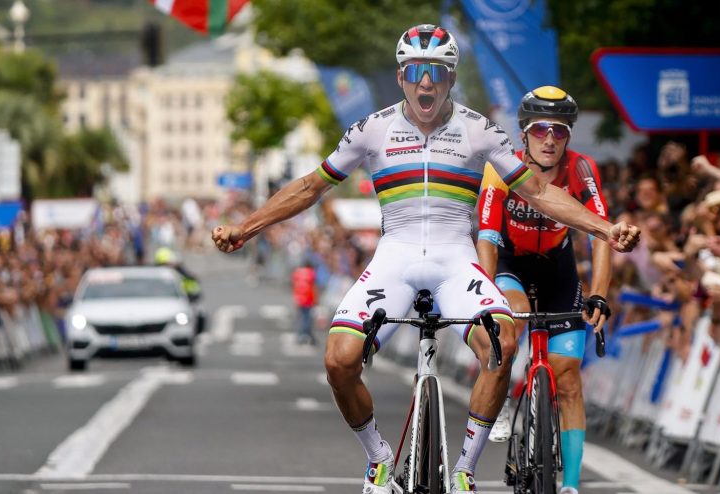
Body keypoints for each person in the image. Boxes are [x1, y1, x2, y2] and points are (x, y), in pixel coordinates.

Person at [211, 24, 640, 494]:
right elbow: (311, 187)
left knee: (503, 345)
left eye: (437, 72)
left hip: (456, 259)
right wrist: (245, 227)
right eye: (416, 72)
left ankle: (464, 472)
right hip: (393, 258)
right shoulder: (372, 128)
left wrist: (605, 228)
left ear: (451, 78)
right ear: (401, 78)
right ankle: (378, 459)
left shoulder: (479, 130)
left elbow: (538, 191)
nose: (426, 83)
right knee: (338, 360)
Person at [475, 86, 610, 494]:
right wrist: (484, 297)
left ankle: (569, 484)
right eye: (540, 130)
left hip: (558, 269)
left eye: (560, 131)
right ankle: (505, 387)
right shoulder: (500, 167)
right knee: (511, 316)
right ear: (524, 135)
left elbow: (601, 233)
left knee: (568, 378)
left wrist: (600, 294)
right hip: (511, 262)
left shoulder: (582, 169)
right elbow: (486, 235)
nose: (550, 139)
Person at [291, 261, 318, 345]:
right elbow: (314, 286)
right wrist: (316, 298)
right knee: (307, 318)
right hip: (308, 298)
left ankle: (309, 335)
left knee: (302, 317)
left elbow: (294, 285)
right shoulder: (311, 273)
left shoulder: (297, 272)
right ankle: (301, 335)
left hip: (299, 297)